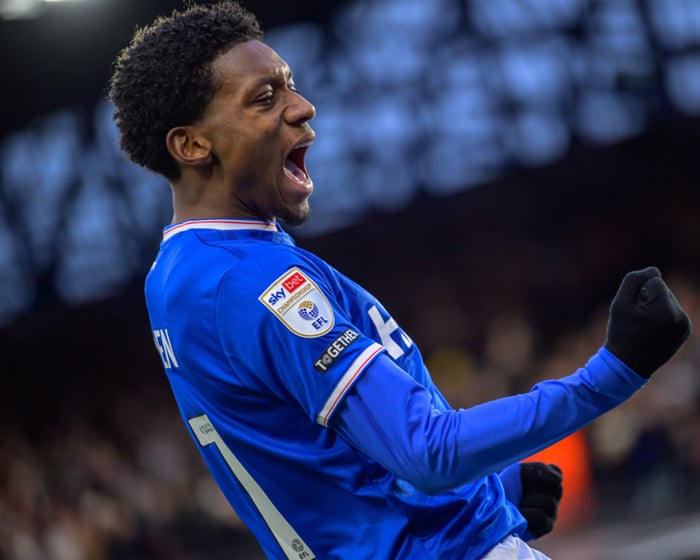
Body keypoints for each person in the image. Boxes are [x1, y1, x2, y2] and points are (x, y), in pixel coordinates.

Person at [108, 3, 692, 559]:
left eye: (290, 85)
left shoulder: (178, 275)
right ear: (192, 144)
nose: (303, 107)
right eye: (265, 98)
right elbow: (427, 452)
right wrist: (611, 374)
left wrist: (490, 488)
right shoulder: (255, 280)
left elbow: (314, 458)